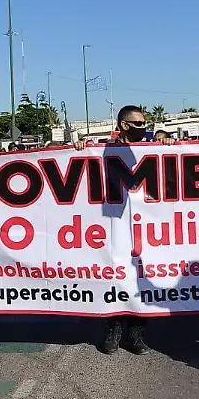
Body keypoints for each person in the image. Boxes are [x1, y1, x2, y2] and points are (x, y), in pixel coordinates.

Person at [76, 105, 153, 355]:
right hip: (111, 225)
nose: (144, 129)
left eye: (145, 124)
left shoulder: (152, 148)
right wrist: (79, 150)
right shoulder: (103, 149)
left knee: (141, 278)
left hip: (145, 226)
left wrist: (170, 144)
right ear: (124, 125)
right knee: (115, 276)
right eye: (138, 124)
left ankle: (136, 334)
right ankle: (114, 330)